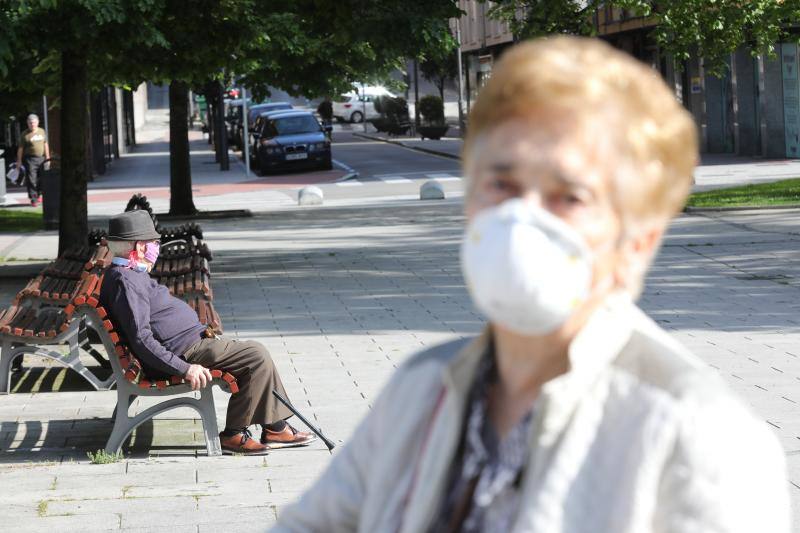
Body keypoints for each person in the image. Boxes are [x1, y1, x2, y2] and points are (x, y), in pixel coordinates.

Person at [271, 37, 789, 532]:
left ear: (638, 240)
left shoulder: (694, 429)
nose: (522, 218)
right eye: (502, 184)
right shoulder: (424, 387)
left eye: (569, 196)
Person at [99, 210, 316, 455]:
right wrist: (184, 369)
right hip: (184, 353)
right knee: (255, 355)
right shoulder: (126, 281)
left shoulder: (130, 274)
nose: (156, 248)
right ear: (138, 247)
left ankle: (276, 428)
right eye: (153, 243)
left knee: (252, 354)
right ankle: (234, 434)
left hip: (191, 344)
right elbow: (141, 338)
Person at [16, 113, 50, 207]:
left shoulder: (42, 131)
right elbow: (20, 149)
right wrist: (19, 161)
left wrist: (48, 158)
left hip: (42, 158)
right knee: (31, 179)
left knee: (43, 178)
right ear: (27, 123)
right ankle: (33, 198)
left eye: (34, 122)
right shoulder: (25, 134)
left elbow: (45, 144)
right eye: (30, 123)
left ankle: (39, 193)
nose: (32, 124)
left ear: (38, 122)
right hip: (30, 159)